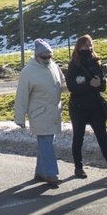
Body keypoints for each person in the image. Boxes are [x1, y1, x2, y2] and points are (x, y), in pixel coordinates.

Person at [66, 35, 107, 180]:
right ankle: (78, 167)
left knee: (103, 138)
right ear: (79, 47)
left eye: (90, 45)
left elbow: (102, 84)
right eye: (85, 45)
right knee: (78, 137)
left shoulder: (97, 62)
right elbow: (72, 87)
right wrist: (89, 85)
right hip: (78, 107)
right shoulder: (74, 64)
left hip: (95, 106)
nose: (89, 48)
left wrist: (99, 85)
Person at [14, 39, 67, 186]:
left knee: (46, 142)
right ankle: (51, 174)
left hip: (53, 112)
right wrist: (20, 117)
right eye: (44, 57)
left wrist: (79, 85)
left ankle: (40, 172)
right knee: (46, 142)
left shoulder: (54, 67)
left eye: (49, 56)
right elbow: (21, 96)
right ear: (36, 56)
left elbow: (63, 85)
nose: (47, 60)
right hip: (39, 114)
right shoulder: (28, 71)